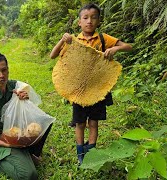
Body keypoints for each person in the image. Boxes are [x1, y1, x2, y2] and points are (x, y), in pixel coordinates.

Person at [49, 3, 132, 165]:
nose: (89, 21)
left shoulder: (103, 39)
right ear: (79, 22)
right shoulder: (73, 40)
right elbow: (53, 55)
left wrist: (115, 49)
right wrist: (62, 40)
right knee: (80, 123)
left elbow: (128, 47)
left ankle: (91, 153)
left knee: (94, 122)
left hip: (98, 88)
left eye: (94, 17)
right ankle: (80, 154)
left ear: (99, 21)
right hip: (79, 90)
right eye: (85, 18)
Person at [0, 52, 52, 179]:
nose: (2, 75)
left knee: (44, 122)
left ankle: (29, 154)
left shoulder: (13, 86)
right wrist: (8, 145)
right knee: (30, 175)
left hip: (14, 134)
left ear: (8, 69)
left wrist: (25, 96)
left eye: (4, 70)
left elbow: (26, 93)